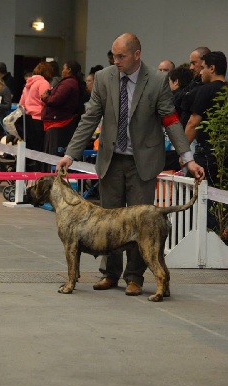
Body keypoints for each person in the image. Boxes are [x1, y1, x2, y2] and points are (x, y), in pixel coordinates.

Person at [56, 33, 205, 296]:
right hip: (110, 161)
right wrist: (70, 154)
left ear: (137, 54)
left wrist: (187, 158)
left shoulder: (157, 81)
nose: (116, 60)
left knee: (140, 224)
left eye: (122, 56)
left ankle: (135, 277)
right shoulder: (104, 77)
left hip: (143, 163)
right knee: (106, 221)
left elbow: (170, 121)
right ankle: (110, 274)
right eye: (114, 55)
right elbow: (89, 118)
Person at [185, 51, 227, 185]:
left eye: (203, 68)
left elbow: (193, 123)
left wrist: (184, 153)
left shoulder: (205, 90)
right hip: (224, 155)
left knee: (194, 198)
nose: (201, 72)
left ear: (212, 68)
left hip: (207, 156)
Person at [41, 60, 86, 167]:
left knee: (53, 159)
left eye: (64, 68)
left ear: (69, 70)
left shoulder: (68, 83)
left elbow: (55, 100)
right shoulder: (69, 82)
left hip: (60, 124)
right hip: (57, 123)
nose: (62, 71)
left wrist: (46, 97)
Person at [19, 62, 53, 170]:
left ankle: (27, 181)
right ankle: (37, 180)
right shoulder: (44, 83)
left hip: (27, 121)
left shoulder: (28, 84)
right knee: (39, 153)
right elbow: (46, 101)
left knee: (29, 153)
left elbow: (21, 104)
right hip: (39, 121)